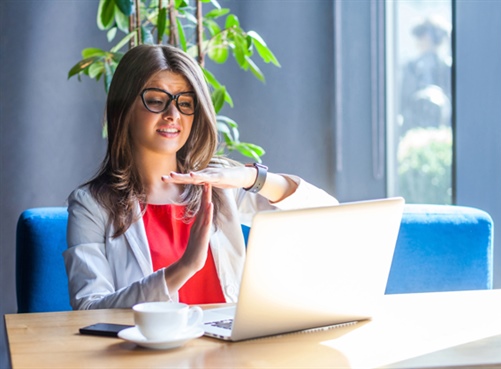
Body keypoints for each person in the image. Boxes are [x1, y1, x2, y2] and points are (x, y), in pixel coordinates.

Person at [63, 44, 338, 310]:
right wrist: (184, 268)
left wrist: (249, 176)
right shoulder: (91, 204)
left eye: (185, 103)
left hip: (229, 351)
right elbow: (90, 307)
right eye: (157, 101)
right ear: (123, 109)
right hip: (147, 355)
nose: (173, 115)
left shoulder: (219, 185)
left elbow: (327, 214)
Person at [399, 16, 452, 137]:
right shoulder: (411, 67)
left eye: (424, 37)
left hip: (442, 130)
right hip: (415, 129)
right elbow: (404, 102)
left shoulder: (446, 67)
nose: (421, 41)